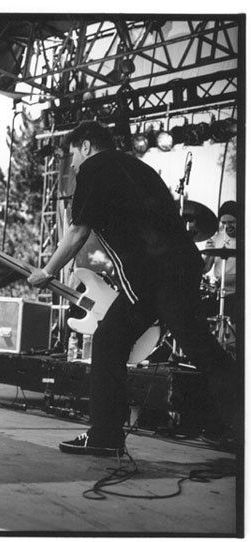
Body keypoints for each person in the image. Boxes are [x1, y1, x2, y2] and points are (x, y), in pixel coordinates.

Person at [28, 121, 237, 456]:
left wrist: (47, 271)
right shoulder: (139, 167)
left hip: (154, 274)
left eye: (73, 155)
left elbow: (78, 232)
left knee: (113, 341)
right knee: (198, 347)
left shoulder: (94, 168)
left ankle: (105, 436)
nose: (74, 164)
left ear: (86, 146)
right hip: (181, 265)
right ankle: (237, 424)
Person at [202, 200, 237, 321]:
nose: (227, 226)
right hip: (219, 292)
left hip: (238, 294)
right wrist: (208, 253)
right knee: (198, 312)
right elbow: (205, 269)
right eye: (224, 223)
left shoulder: (246, 238)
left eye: (231, 222)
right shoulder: (216, 237)